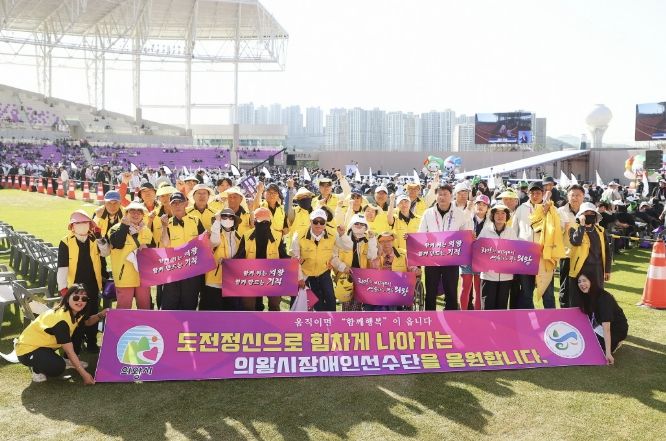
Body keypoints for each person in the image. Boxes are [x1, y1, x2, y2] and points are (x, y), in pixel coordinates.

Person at [16, 284, 108, 384]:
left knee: (79, 328)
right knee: (57, 368)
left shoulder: (75, 312)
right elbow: (69, 351)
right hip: (26, 351)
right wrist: (85, 375)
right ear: (67, 298)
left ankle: (63, 360)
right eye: (76, 297)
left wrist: (101, 314)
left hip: (44, 346)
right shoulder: (61, 321)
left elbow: (87, 322)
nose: (80, 301)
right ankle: (37, 370)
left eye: (84, 298)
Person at [57, 210, 110, 354]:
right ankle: (74, 347)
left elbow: (106, 252)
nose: (82, 225)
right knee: (75, 318)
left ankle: (91, 342)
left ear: (90, 225)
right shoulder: (65, 242)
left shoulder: (94, 239)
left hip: (93, 284)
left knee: (93, 312)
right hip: (74, 287)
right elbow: (62, 267)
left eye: (85, 223)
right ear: (72, 227)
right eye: (78, 223)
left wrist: (100, 238)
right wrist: (63, 289)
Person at [418, 183, 472, 310]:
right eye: (440, 194)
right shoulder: (428, 213)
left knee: (451, 291)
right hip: (432, 258)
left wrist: (470, 236)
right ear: (436, 196)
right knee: (430, 291)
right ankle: (430, 317)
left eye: (445, 194)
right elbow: (421, 233)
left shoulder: (459, 214)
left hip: (451, 259)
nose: (442, 197)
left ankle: (451, 317)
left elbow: (465, 235)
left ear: (451, 196)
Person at [512, 182, 562, 309]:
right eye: (532, 193)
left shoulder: (551, 208)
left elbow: (559, 228)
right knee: (526, 292)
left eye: (538, 193)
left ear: (543, 193)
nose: (535, 196)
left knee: (548, 292)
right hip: (525, 255)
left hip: (544, 255)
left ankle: (550, 318)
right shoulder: (521, 208)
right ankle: (529, 319)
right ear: (528, 193)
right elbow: (514, 230)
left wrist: (548, 212)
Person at [159, 191, 206, 310]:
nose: (177, 205)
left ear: (185, 204)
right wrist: (164, 226)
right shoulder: (167, 223)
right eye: (174, 203)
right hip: (173, 270)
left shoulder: (196, 221)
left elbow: (203, 244)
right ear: (170, 206)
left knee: (189, 304)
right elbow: (165, 243)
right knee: (170, 304)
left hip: (192, 270)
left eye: (180, 202)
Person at [235, 207, 290, 311]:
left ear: (270, 222)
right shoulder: (246, 236)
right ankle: (250, 322)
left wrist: (293, 261)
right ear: (255, 221)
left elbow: (283, 255)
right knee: (248, 306)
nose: (264, 224)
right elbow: (240, 256)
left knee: (275, 304)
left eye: (266, 222)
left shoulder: (278, 236)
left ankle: (273, 322)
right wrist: (227, 263)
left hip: (272, 275)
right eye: (261, 222)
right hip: (251, 276)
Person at [292, 209, 346, 311]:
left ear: (326, 223)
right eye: (315, 221)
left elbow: (340, 250)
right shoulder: (298, 235)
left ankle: (331, 320)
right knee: (309, 302)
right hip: (305, 273)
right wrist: (300, 278)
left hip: (323, 271)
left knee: (330, 299)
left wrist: (342, 235)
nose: (318, 224)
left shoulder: (333, 234)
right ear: (310, 221)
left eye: (322, 222)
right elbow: (295, 259)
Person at [108, 201, 155, 310]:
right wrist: (124, 226)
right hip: (124, 276)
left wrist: (147, 248)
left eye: (139, 212)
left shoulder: (147, 231)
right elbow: (117, 244)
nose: (136, 214)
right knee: (123, 309)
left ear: (143, 215)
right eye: (132, 211)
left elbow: (153, 250)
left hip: (143, 277)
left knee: (145, 308)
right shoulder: (115, 228)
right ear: (126, 213)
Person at [576, 273, 627, 365]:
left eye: (584, 280)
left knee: (590, 344)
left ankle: (615, 343)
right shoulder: (587, 295)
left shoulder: (603, 299)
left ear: (591, 281)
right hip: (599, 325)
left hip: (615, 330)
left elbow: (606, 329)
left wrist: (608, 353)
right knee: (583, 338)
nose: (581, 284)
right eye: (579, 282)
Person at [568, 202, 612, 307]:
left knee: (597, 298)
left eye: (592, 213)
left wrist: (607, 269)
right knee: (578, 299)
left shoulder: (600, 230)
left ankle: (595, 317)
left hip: (597, 270)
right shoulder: (573, 228)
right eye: (586, 213)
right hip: (580, 269)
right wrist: (582, 226)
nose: (589, 215)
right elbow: (576, 241)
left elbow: (607, 251)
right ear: (581, 215)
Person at [331, 214, 376, 311]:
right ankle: (346, 320)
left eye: (362, 224)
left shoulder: (368, 239)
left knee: (357, 304)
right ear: (351, 224)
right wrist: (343, 267)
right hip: (344, 274)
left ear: (366, 226)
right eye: (356, 223)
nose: (359, 226)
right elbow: (333, 257)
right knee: (346, 303)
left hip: (361, 276)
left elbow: (372, 256)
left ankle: (355, 320)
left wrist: (372, 240)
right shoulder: (341, 237)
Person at [478, 204, 517, 310]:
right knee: (487, 307)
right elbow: (478, 249)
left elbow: (516, 252)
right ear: (492, 215)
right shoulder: (486, 230)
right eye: (497, 213)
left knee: (502, 308)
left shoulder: (511, 232)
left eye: (503, 213)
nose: (500, 216)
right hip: (488, 276)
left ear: (507, 216)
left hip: (506, 277)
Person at [205, 208, 243, 311]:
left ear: (234, 220)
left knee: (230, 313)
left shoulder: (238, 236)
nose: (228, 219)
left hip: (232, 282)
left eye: (231, 217)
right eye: (224, 217)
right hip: (214, 281)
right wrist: (217, 221)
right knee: (214, 314)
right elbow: (214, 242)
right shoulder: (214, 234)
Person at [459, 194, 489, 310]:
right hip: (467, 257)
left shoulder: (490, 222)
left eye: (484, 205)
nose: (481, 206)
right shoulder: (467, 217)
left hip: (482, 259)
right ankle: (463, 315)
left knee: (479, 289)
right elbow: (458, 231)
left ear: (488, 208)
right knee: (465, 287)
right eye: (478, 204)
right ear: (474, 205)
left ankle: (477, 315)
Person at [557, 184, 585, 308]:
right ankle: (564, 312)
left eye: (578, 195)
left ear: (583, 196)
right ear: (567, 196)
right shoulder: (560, 212)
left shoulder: (588, 211)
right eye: (572, 195)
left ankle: (581, 312)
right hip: (567, 255)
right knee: (566, 286)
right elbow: (556, 233)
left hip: (584, 255)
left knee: (583, 285)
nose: (575, 198)